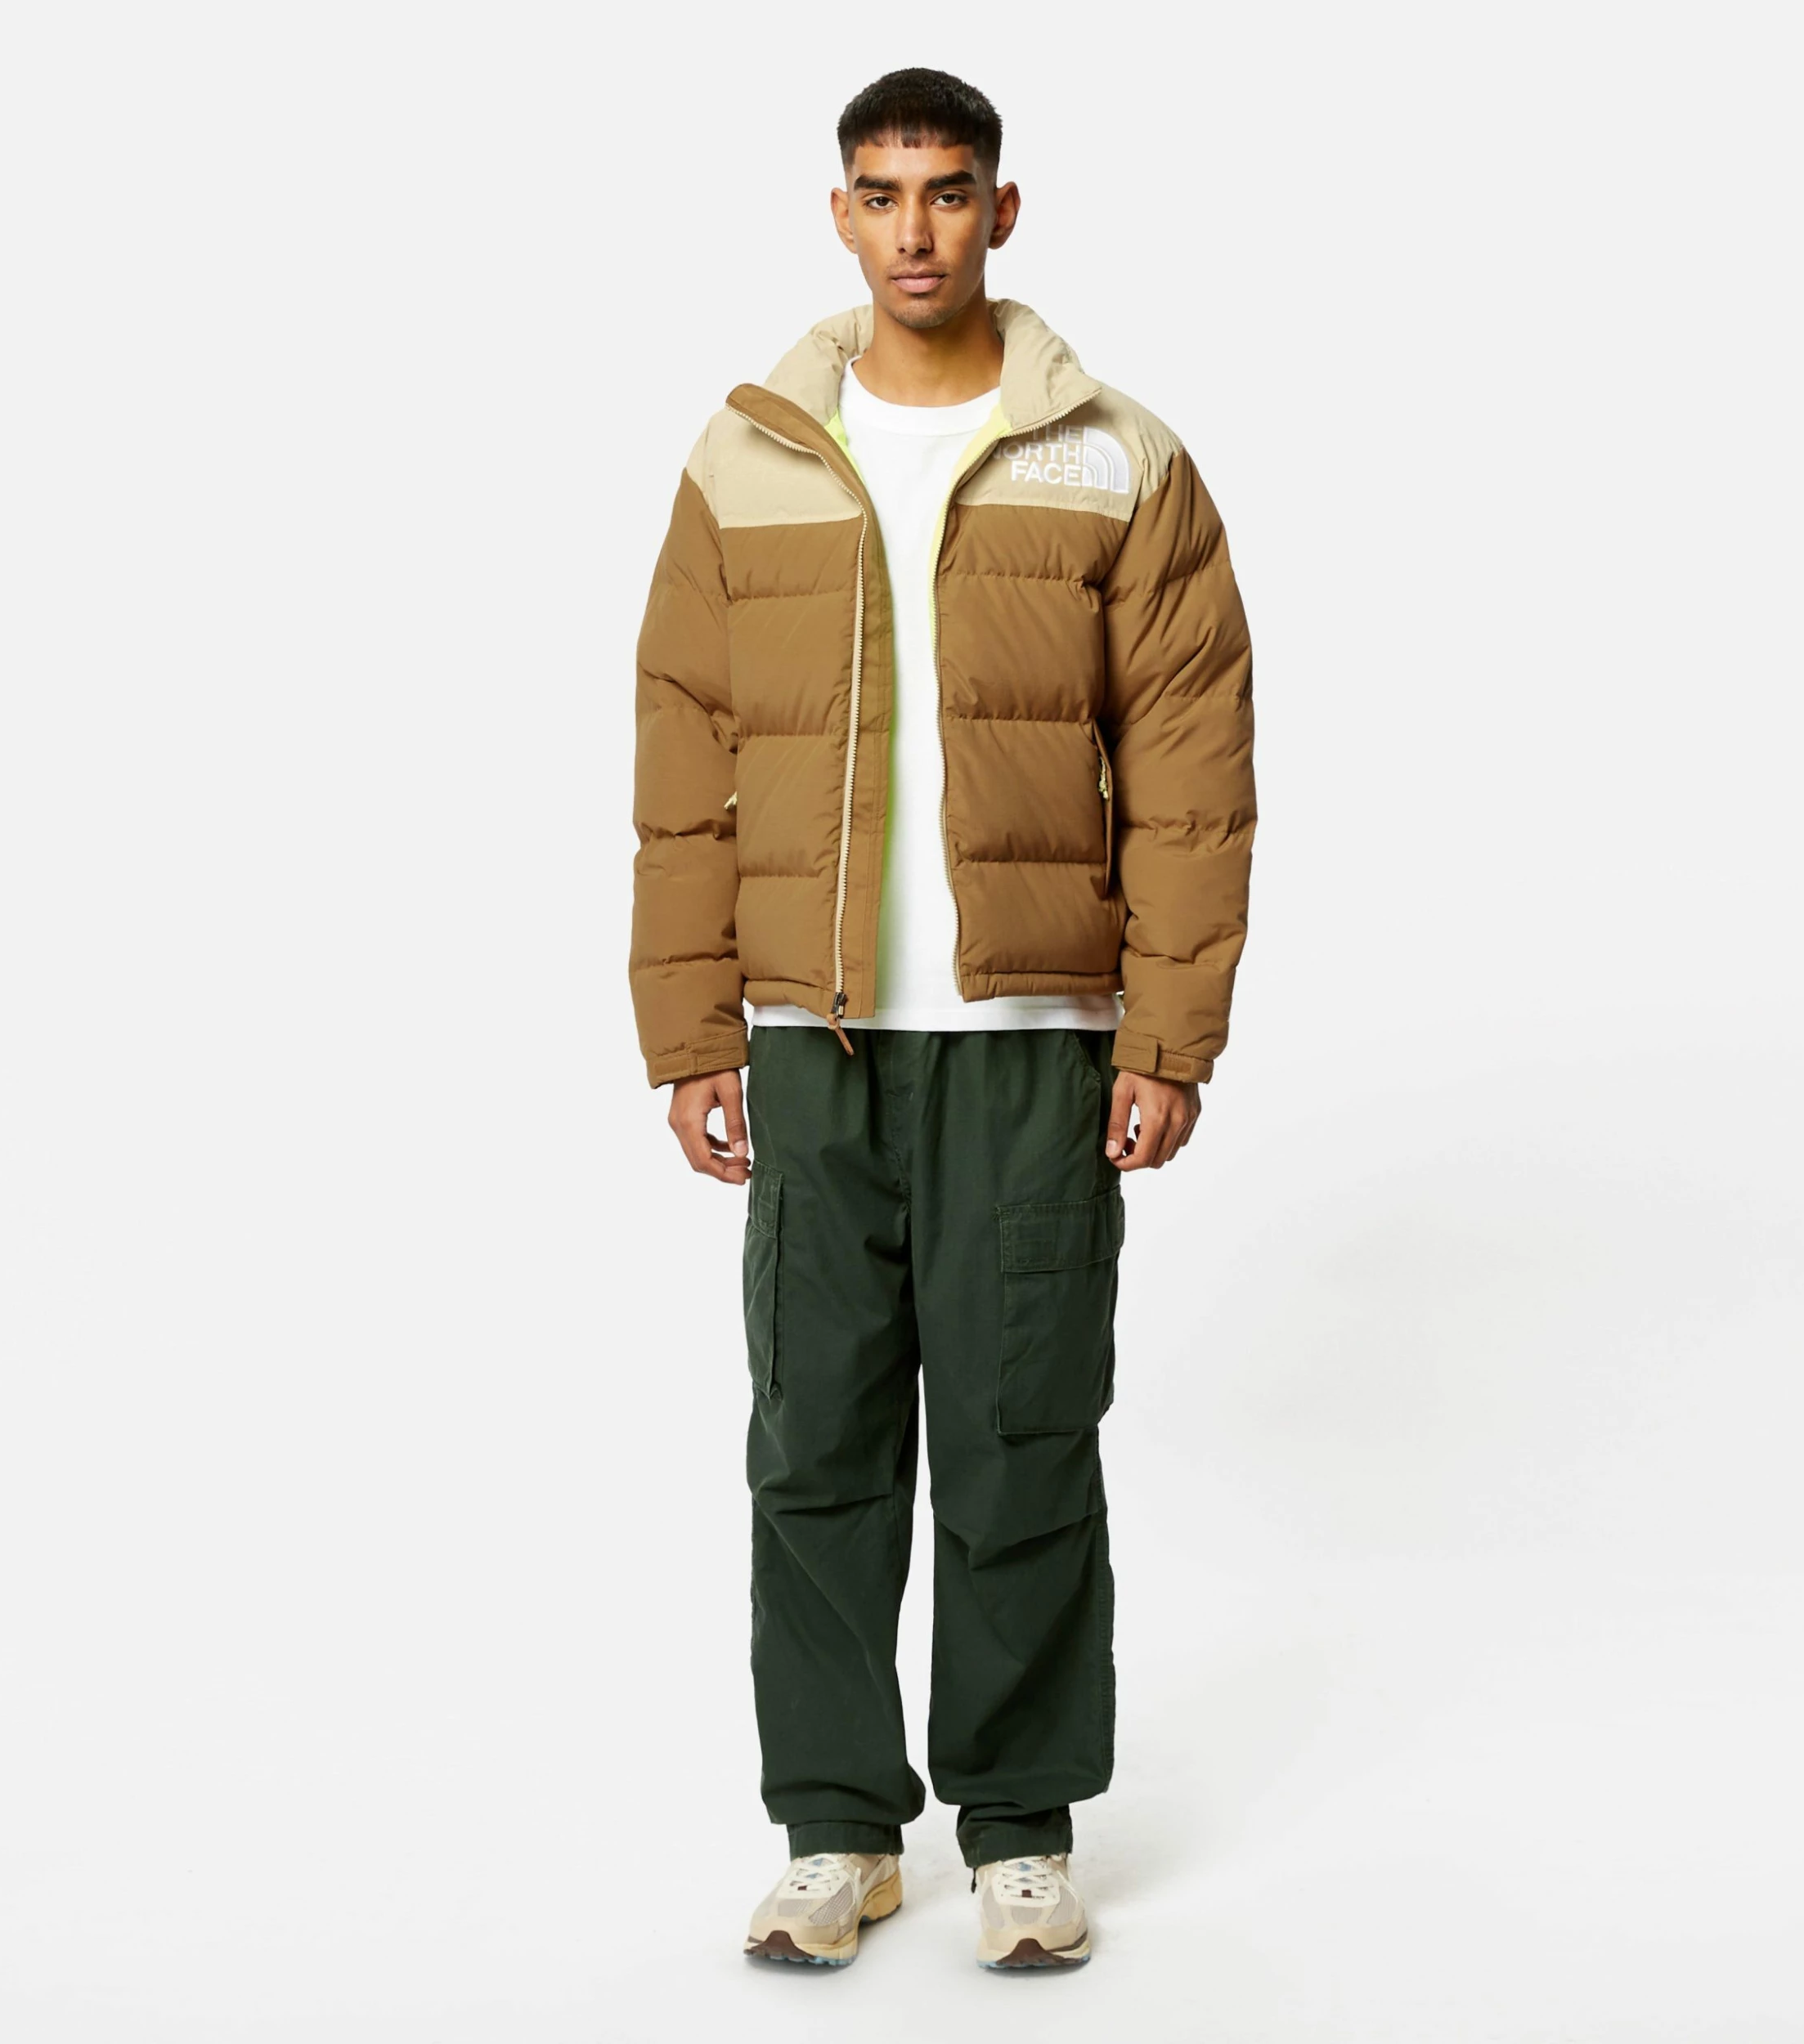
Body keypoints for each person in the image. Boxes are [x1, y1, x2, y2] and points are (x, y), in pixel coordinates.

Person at [627, 65, 1255, 1971]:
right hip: (810, 1040)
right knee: (813, 1437)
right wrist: (687, 1024)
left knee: (1017, 1433)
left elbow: (1192, 760)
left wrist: (1166, 1030)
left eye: (949, 190)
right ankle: (836, 1828)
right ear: (840, 213)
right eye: (882, 192)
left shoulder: (1113, 455)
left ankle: (1018, 1829)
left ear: (1002, 209)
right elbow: (680, 749)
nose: (916, 228)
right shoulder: (750, 452)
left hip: (1034, 1040)